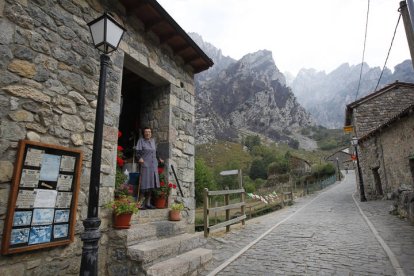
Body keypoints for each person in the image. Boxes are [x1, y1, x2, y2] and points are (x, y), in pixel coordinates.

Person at [136, 127, 163, 209]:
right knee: (144, 184)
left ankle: (147, 203)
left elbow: (156, 152)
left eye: (149, 132)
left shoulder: (153, 141)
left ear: (151, 133)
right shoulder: (141, 141)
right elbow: (137, 152)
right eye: (146, 132)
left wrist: (159, 159)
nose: (148, 133)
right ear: (144, 133)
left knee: (151, 184)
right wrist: (139, 158)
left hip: (153, 165)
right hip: (145, 165)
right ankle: (140, 204)